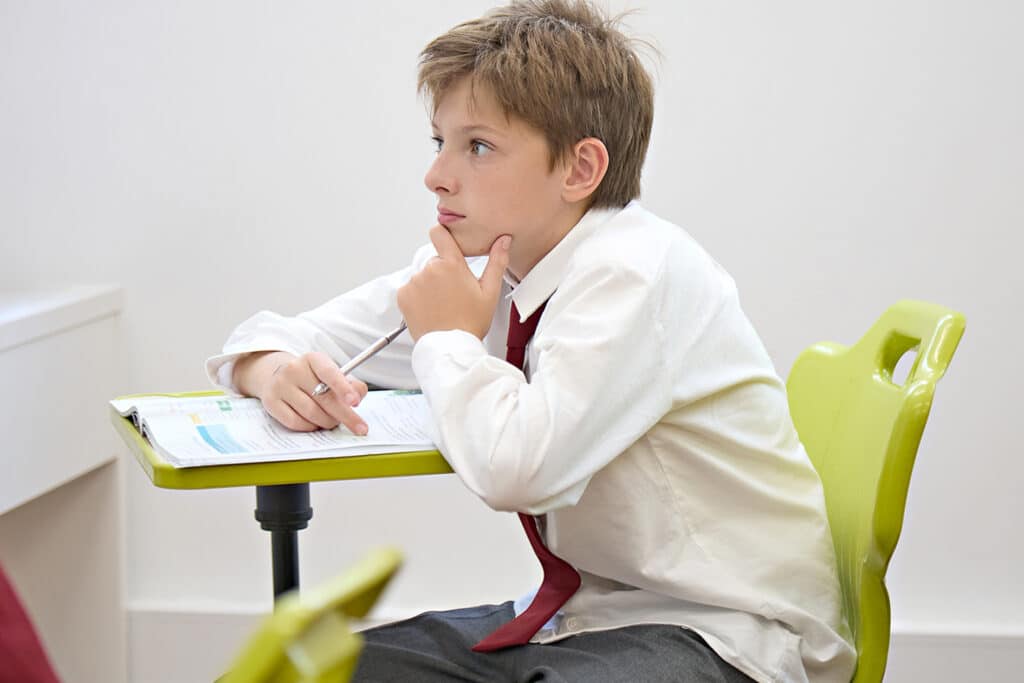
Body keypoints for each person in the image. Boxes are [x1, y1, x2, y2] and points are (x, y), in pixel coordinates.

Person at [206, 1, 856, 680]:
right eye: (440, 142)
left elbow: (519, 467)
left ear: (580, 169)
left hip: (723, 629)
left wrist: (449, 337)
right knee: (335, 671)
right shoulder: (500, 267)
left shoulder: (634, 273)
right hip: (592, 616)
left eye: (477, 146)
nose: (437, 175)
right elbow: (273, 333)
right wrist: (270, 368)